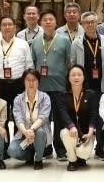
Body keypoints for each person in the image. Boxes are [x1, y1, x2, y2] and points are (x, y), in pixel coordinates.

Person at [30, 10, 73, 159]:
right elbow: (33, 64)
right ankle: (46, 149)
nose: (48, 22)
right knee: (43, 120)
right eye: (45, 20)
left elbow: (69, 63)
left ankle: (60, 150)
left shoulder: (64, 40)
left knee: (60, 119)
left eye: (51, 19)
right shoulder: (35, 42)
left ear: (56, 23)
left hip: (59, 87)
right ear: (40, 23)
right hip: (41, 88)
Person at [0, 15, 33, 121]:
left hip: (19, 84)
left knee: (20, 117)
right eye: (4, 25)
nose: (7, 27)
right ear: (0, 28)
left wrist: (29, 85)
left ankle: (19, 132)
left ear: (15, 27)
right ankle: (2, 133)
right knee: (0, 118)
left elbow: (29, 66)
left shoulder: (23, 44)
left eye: (10, 25)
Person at [57, 65, 100, 171]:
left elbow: (94, 114)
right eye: (73, 75)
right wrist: (71, 126)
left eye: (79, 75)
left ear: (84, 77)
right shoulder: (63, 95)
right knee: (65, 133)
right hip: (71, 131)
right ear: (68, 78)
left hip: (86, 132)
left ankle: (80, 157)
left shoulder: (91, 94)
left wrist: (90, 132)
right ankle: (72, 160)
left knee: (83, 154)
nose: (76, 77)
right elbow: (63, 113)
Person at [9, 70, 51, 169]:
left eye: (34, 80)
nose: (31, 83)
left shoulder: (45, 98)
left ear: (38, 82)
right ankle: (30, 155)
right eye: (28, 80)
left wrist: (31, 130)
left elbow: (43, 117)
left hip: (40, 134)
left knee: (39, 132)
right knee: (12, 151)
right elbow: (18, 119)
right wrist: (25, 132)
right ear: (24, 82)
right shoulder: (18, 99)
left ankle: (38, 160)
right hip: (24, 135)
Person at [72, 11, 104, 93]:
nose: (90, 24)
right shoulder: (76, 42)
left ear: (97, 23)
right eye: (86, 22)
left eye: (92, 22)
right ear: (82, 25)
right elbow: (73, 63)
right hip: (85, 85)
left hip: (102, 84)